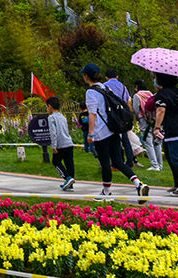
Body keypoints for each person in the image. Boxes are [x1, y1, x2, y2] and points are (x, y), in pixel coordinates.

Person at [81, 63, 148, 202]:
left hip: (100, 132)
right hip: (113, 129)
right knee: (118, 161)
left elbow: (92, 114)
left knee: (105, 162)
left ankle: (106, 192)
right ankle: (139, 184)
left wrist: (90, 133)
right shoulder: (105, 87)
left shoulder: (91, 92)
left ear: (86, 76)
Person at [46, 97, 75, 191]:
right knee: (69, 163)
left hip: (60, 144)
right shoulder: (63, 117)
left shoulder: (51, 118)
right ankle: (70, 185)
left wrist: (54, 146)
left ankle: (67, 178)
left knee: (56, 162)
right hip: (69, 143)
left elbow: (53, 133)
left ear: (50, 106)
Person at [134, 82, 163, 171]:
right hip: (154, 120)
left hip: (144, 120)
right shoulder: (151, 94)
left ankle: (154, 165)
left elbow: (136, 109)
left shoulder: (137, 95)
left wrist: (138, 118)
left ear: (137, 86)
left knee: (148, 142)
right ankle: (160, 165)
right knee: (157, 142)